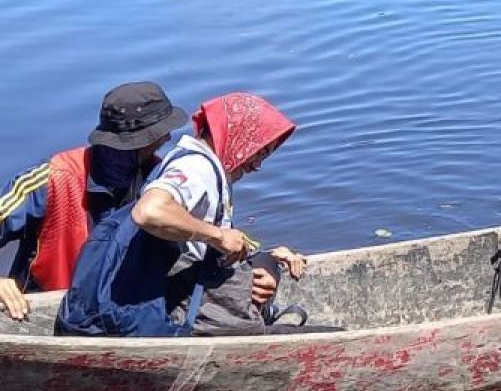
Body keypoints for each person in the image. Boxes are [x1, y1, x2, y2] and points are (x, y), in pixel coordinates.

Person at [57, 92, 307, 337]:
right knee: (305, 329)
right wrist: (218, 236)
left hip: (178, 285)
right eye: (259, 152)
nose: (258, 165)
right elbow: (149, 211)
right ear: (238, 137)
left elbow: (207, 228)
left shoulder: (202, 163)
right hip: (181, 304)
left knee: (267, 263)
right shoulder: (196, 168)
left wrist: (262, 252)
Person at [0, 82, 188, 322]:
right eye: (160, 133)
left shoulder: (161, 181)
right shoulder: (51, 179)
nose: (168, 137)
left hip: (128, 308)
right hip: (54, 308)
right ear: (137, 142)